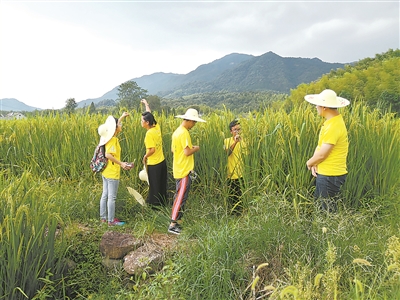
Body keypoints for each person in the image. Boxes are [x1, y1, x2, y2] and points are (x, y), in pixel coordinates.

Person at [304, 89, 350, 213]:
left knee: (326, 213)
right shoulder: (332, 122)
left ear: (324, 107)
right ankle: (323, 231)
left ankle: (327, 232)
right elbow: (321, 146)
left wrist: (309, 163)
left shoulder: (333, 126)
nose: (316, 107)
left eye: (317, 104)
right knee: (323, 209)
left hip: (330, 175)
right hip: (327, 173)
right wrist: (315, 163)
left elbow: (323, 153)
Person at [168, 108, 206, 235]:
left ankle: (177, 222)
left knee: (180, 196)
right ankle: (173, 224)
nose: (194, 125)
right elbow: (187, 151)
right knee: (180, 197)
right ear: (189, 120)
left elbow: (174, 150)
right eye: (194, 122)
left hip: (178, 168)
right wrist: (196, 148)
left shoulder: (176, 132)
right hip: (184, 170)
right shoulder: (184, 133)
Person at [98, 112, 132, 226]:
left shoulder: (108, 138)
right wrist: (121, 163)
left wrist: (121, 118)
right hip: (112, 173)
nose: (121, 126)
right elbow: (108, 155)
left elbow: (115, 126)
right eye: (119, 125)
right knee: (111, 197)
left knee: (105, 195)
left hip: (106, 171)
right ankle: (111, 221)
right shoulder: (113, 140)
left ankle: (103, 218)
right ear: (115, 129)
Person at [140, 99, 168, 206]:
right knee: (161, 185)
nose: (141, 122)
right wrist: (146, 104)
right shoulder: (156, 127)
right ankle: (163, 204)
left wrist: (145, 156)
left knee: (154, 186)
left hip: (154, 164)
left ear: (147, 123)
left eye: (142, 121)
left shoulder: (149, 134)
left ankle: (155, 208)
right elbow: (150, 115)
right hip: (162, 162)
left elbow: (152, 150)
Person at [224, 119, 246, 214]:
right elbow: (227, 153)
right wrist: (235, 142)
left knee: (240, 195)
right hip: (230, 173)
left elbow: (248, 156)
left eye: (239, 129)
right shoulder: (226, 141)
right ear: (231, 131)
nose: (237, 131)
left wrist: (241, 142)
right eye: (235, 130)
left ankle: (241, 213)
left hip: (241, 173)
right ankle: (232, 214)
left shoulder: (244, 141)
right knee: (232, 195)